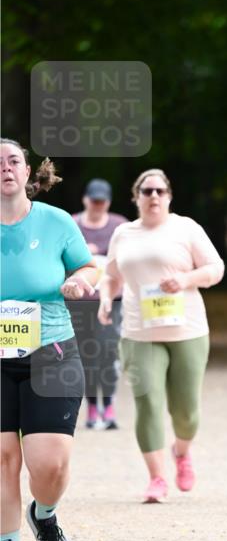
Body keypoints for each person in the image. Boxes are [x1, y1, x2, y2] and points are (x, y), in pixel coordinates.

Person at [1, 139, 97, 541]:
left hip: (51, 351)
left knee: (50, 466)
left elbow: (88, 267)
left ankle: (44, 513)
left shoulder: (55, 222)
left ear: (27, 172)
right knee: (3, 459)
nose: (5, 168)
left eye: (13, 161)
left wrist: (78, 281)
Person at [98, 169, 224, 502]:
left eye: (160, 191)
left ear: (169, 196)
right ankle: (156, 479)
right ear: (136, 196)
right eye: (147, 191)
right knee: (147, 403)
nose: (154, 196)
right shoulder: (124, 234)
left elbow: (216, 269)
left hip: (187, 330)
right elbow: (110, 276)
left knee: (186, 412)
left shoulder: (186, 228)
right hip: (139, 332)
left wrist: (185, 280)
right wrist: (105, 300)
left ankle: (181, 452)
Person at [71, 178, 127, 430]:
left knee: (109, 352)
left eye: (101, 201)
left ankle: (110, 403)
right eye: (93, 200)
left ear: (108, 202)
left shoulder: (119, 226)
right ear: (85, 200)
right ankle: (93, 405)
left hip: (113, 300)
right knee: (87, 356)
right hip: (81, 302)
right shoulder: (71, 225)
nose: (97, 205)